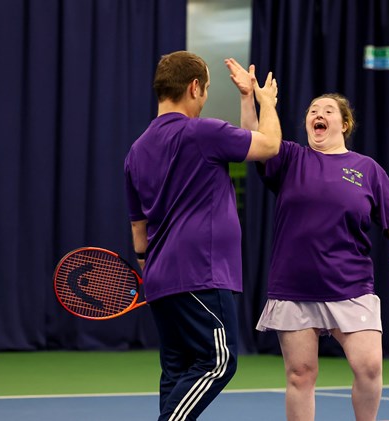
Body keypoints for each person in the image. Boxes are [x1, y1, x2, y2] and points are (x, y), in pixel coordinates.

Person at [241, 88, 389, 421]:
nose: (318, 114)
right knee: (300, 375)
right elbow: (255, 140)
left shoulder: (367, 169)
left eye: (327, 110)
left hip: (350, 285)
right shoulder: (291, 158)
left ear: (344, 123)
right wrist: (248, 99)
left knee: (369, 367)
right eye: (312, 110)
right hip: (295, 287)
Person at [123, 51, 281, 421]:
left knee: (177, 371)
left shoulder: (135, 151)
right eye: (206, 89)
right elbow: (269, 146)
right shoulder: (203, 132)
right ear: (194, 87)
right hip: (201, 273)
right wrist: (265, 101)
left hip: (161, 279)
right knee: (218, 362)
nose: (205, 96)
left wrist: (148, 270)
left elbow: (137, 228)